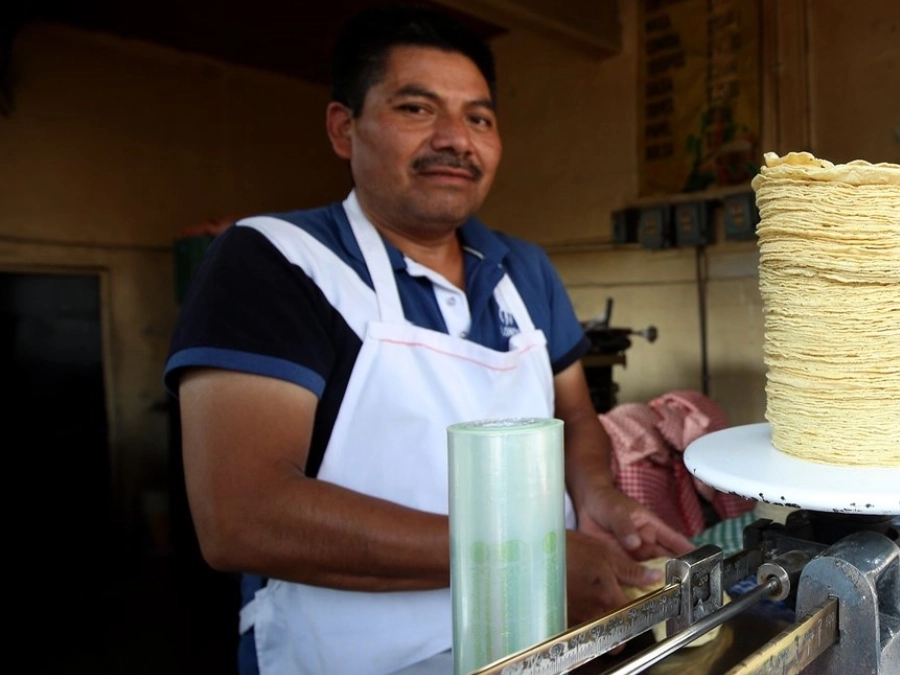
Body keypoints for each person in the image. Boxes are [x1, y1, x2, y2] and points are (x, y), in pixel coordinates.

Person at [163, 4, 694, 674]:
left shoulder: (522, 270)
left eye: (479, 117)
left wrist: (597, 495)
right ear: (343, 128)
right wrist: (531, 553)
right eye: (417, 108)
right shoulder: (277, 261)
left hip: (539, 639)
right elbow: (242, 512)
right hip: (346, 655)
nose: (456, 138)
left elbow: (576, 414)